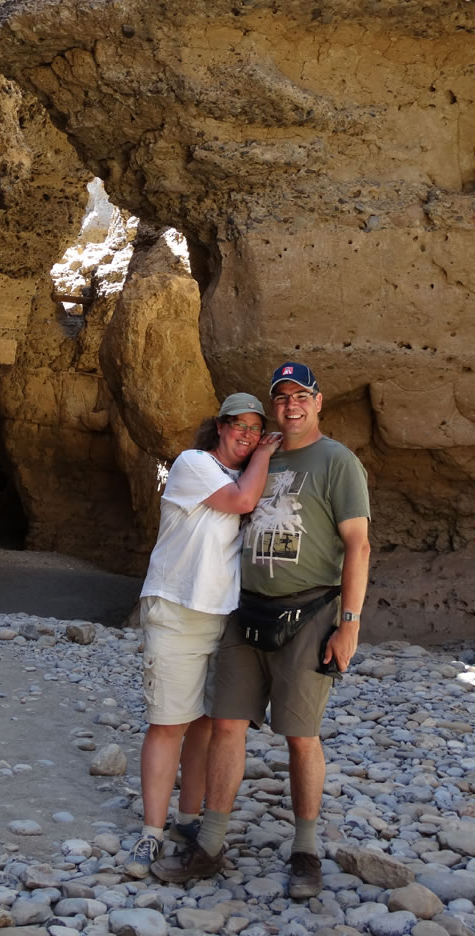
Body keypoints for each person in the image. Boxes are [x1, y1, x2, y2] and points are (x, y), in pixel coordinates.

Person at [152, 361, 371, 899]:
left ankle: (306, 851)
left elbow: (358, 545)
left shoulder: (338, 462)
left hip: (310, 614)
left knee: (301, 735)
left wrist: (349, 624)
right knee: (226, 724)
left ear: (318, 402)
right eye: (282, 398)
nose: (291, 406)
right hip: (245, 610)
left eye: (301, 396)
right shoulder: (255, 460)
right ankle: (210, 844)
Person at [123, 392, 282, 878]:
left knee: (207, 725)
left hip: (225, 618)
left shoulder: (244, 473)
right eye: (241, 425)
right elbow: (243, 502)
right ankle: (151, 833)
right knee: (168, 723)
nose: (248, 435)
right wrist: (266, 453)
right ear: (221, 426)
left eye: (256, 428)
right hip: (176, 611)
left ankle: (187, 821)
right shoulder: (193, 464)